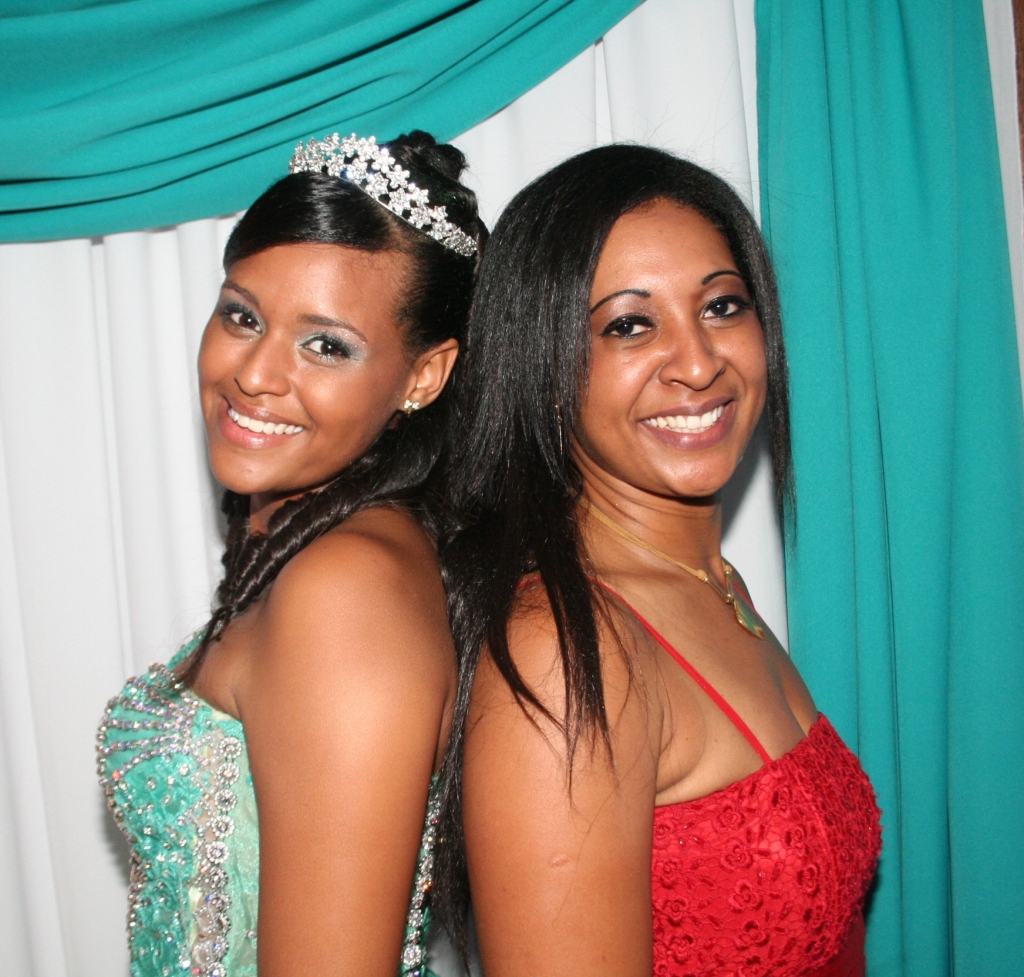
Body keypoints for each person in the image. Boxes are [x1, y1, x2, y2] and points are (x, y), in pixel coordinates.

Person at [435, 145, 882, 977]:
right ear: (541, 363)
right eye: (630, 325)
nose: (700, 362)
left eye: (721, 306)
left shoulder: (711, 580)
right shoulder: (563, 650)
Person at [96, 131, 486, 977]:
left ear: (423, 376)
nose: (256, 374)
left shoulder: (346, 587)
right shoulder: (313, 548)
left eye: (326, 344)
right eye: (243, 315)